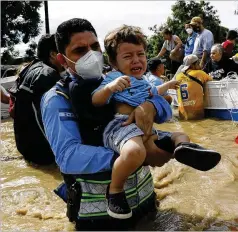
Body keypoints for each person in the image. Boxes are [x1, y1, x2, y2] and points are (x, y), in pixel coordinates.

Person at [41, 18, 174, 231]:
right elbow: (67, 156)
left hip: (146, 200)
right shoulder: (57, 98)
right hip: (100, 216)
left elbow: (162, 103)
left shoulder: (115, 79)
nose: (91, 55)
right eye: (79, 50)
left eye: (94, 47)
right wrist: (135, 155)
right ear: (62, 59)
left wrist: (150, 106)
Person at [92, 25, 221, 219]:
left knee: (180, 135)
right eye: (128, 56)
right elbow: (96, 99)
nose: (136, 60)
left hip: (144, 127)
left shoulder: (144, 81)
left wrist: (167, 85)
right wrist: (109, 88)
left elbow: (155, 94)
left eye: (140, 54)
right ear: (113, 62)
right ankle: (115, 190)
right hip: (121, 127)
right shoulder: (113, 77)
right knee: (135, 151)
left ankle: (184, 149)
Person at [11, 34, 63, 165]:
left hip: (27, 149)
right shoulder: (47, 75)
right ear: (53, 54)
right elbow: (45, 120)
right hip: (43, 154)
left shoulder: (29, 69)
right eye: (64, 51)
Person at [176, 54, 213, 120]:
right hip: (196, 114)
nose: (200, 65)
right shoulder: (200, 73)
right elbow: (212, 81)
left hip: (182, 114)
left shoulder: (178, 76)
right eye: (198, 63)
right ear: (192, 65)